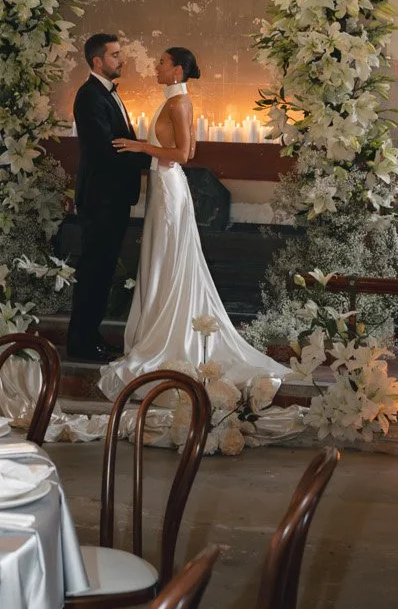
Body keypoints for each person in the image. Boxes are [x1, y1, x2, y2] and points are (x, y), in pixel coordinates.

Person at [100, 45, 281, 400]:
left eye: (163, 62)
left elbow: (185, 154)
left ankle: (167, 334)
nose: (157, 65)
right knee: (159, 259)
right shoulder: (173, 100)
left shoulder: (179, 102)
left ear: (178, 70)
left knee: (167, 259)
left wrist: (141, 147)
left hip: (169, 187)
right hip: (162, 186)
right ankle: (154, 327)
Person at [65, 30, 145, 361]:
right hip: (101, 199)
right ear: (98, 61)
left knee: (102, 271)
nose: (121, 59)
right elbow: (103, 150)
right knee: (94, 271)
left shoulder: (107, 93)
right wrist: (150, 155)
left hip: (113, 198)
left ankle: (91, 337)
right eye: (114, 55)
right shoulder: (89, 96)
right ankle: (81, 344)